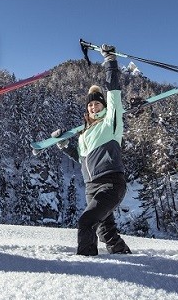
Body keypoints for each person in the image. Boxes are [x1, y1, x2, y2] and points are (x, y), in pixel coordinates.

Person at [54, 44, 132, 256]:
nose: (93, 107)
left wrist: (110, 62)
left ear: (104, 106)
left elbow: (114, 93)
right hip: (91, 187)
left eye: (97, 104)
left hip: (110, 182)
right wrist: (63, 145)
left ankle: (87, 265)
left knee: (86, 222)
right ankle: (122, 253)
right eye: (90, 105)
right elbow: (81, 158)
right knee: (104, 230)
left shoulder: (111, 123)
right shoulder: (85, 134)